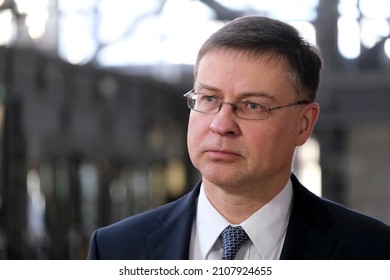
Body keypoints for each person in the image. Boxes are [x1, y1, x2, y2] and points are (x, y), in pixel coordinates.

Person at [87, 15, 390, 260]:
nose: (222, 124)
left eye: (253, 105)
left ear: (303, 123)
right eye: (208, 98)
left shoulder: (372, 252)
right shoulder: (115, 250)